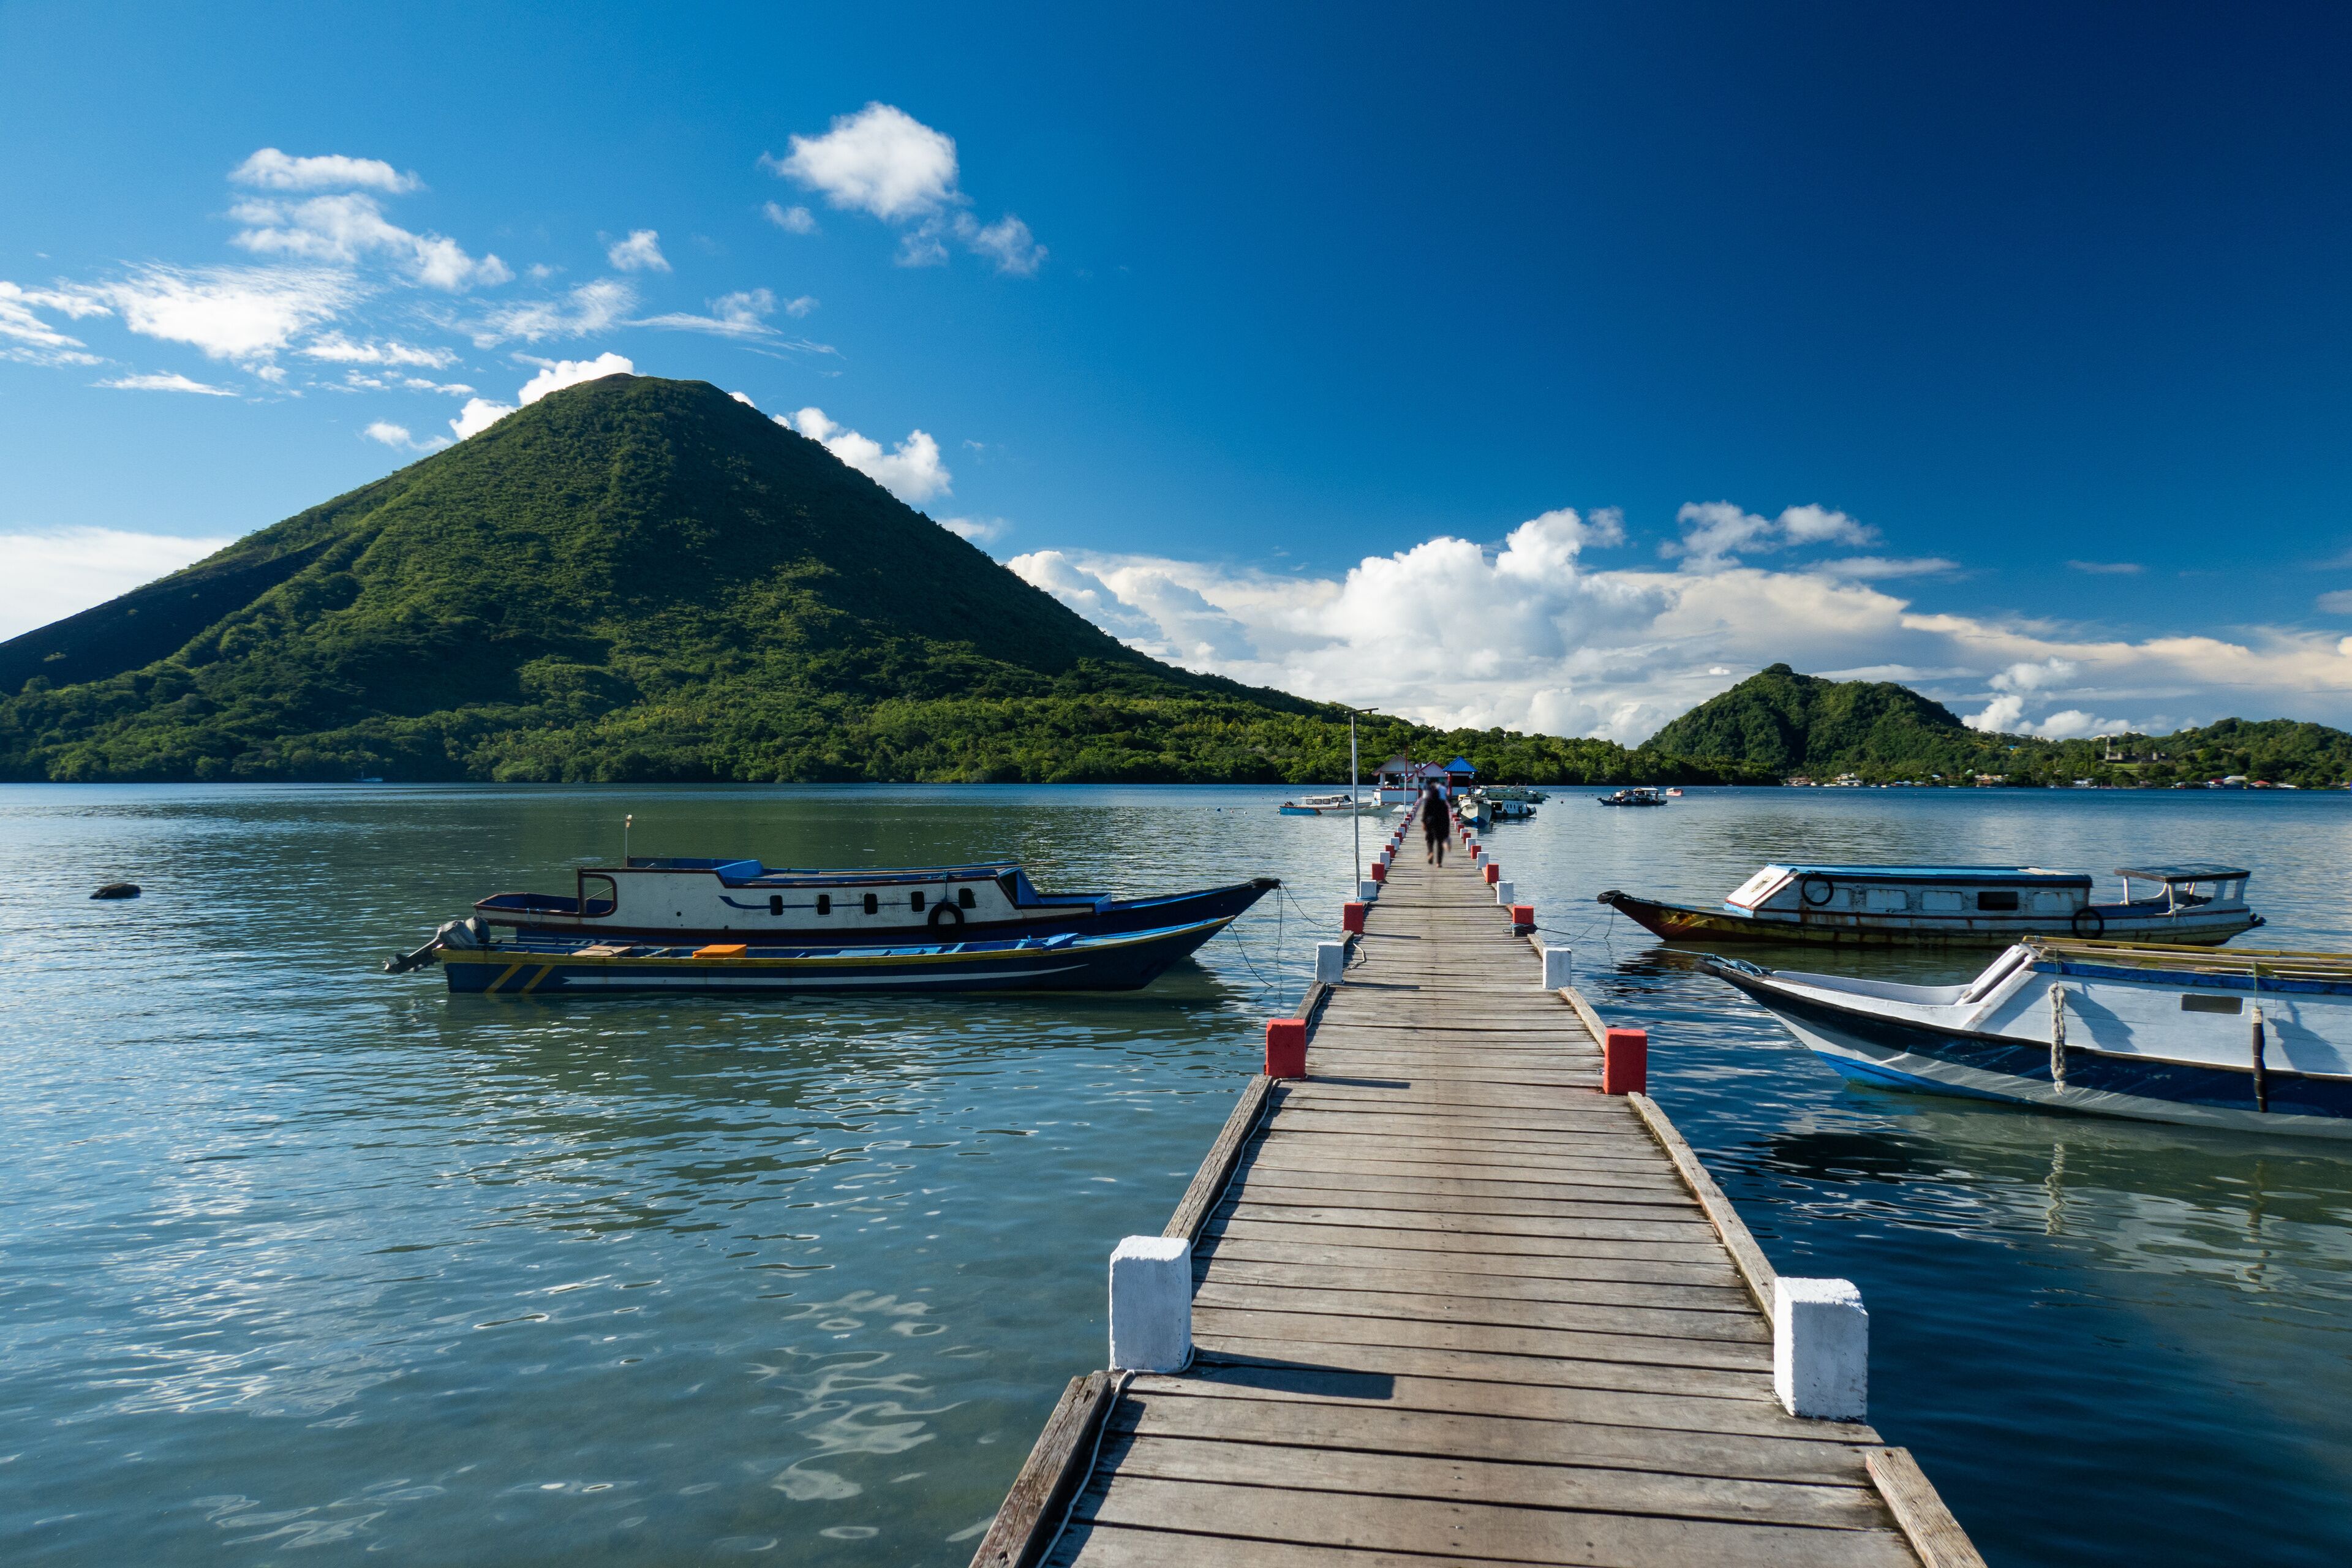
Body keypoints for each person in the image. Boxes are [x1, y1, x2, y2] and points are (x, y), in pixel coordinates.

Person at [1422, 782, 1448, 865]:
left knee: (1430, 840)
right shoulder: (1443, 803)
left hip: (1430, 823)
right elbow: (1446, 816)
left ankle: (1431, 852)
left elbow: (1425, 814)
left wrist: (1424, 823)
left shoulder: (1429, 802)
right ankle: (1439, 863)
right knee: (1440, 843)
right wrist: (1447, 828)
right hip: (1440, 823)